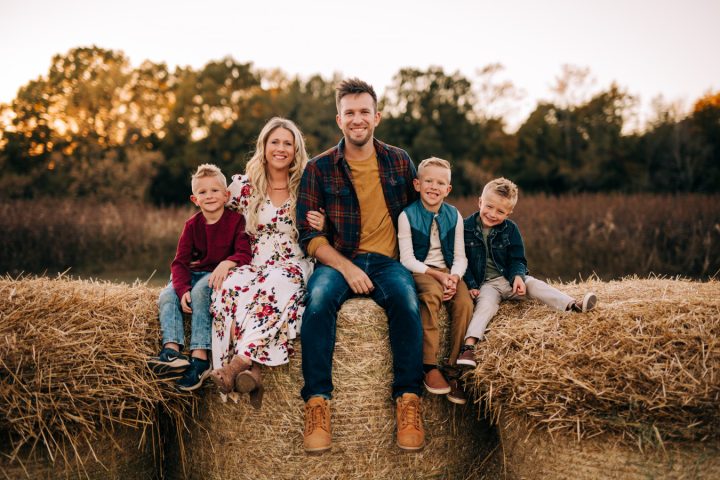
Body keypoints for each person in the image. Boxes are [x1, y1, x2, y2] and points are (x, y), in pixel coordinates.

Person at [297, 78, 425, 453]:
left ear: (377, 117)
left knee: (406, 303)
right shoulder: (319, 168)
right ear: (339, 119)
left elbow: (421, 215)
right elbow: (308, 236)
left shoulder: (399, 161)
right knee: (317, 303)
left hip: (388, 262)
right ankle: (317, 403)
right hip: (340, 260)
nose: (357, 119)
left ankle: (408, 400)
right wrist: (347, 268)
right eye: (349, 112)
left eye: (364, 112)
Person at [208, 117, 323, 409]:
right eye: (275, 142)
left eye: (288, 143)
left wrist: (324, 223)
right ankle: (253, 373)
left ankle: (237, 365)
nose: (281, 148)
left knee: (275, 285)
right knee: (232, 286)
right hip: (252, 261)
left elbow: (330, 227)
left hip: (292, 262)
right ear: (264, 146)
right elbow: (218, 221)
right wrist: (222, 262)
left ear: (296, 150)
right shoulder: (244, 187)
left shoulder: (307, 186)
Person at [457, 177, 598, 368]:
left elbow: (517, 259)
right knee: (486, 306)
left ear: (509, 213)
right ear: (480, 202)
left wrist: (518, 277)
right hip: (486, 285)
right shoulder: (464, 228)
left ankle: (573, 304)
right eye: (489, 206)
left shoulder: (511, 229)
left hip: (508, 279)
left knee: (535, 284)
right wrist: (472, 285)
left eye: (500, 211)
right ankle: (469, 347)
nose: (492, 214)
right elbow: (460, 260)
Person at [148, 164, 252, 392]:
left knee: (200, 291)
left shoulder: (236, 221)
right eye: (203, 192)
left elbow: (244, 253)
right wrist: (181, 289)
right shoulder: (192, 225)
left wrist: (227, 262)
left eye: (215, 190)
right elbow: (179, 263)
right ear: (195, 199)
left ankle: (200, 357)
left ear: (226, 195)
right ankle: (172, 351)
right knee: (167, 295)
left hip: (218, 275)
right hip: (193, 273)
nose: (210, 196)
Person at [398, 157, 473, 405]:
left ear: (448, 189)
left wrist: (454, 278)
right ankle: (429, 366)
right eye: (428, 181)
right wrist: (437, 276)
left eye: (440, 183)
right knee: (431, 296)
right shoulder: (407, 215)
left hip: (449, 271)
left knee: (464, 303)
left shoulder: (455, 216)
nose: (434, 186)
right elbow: (407, 259)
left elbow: (461, 257)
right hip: (421, 270)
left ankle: (454, 370)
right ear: (417, 184)